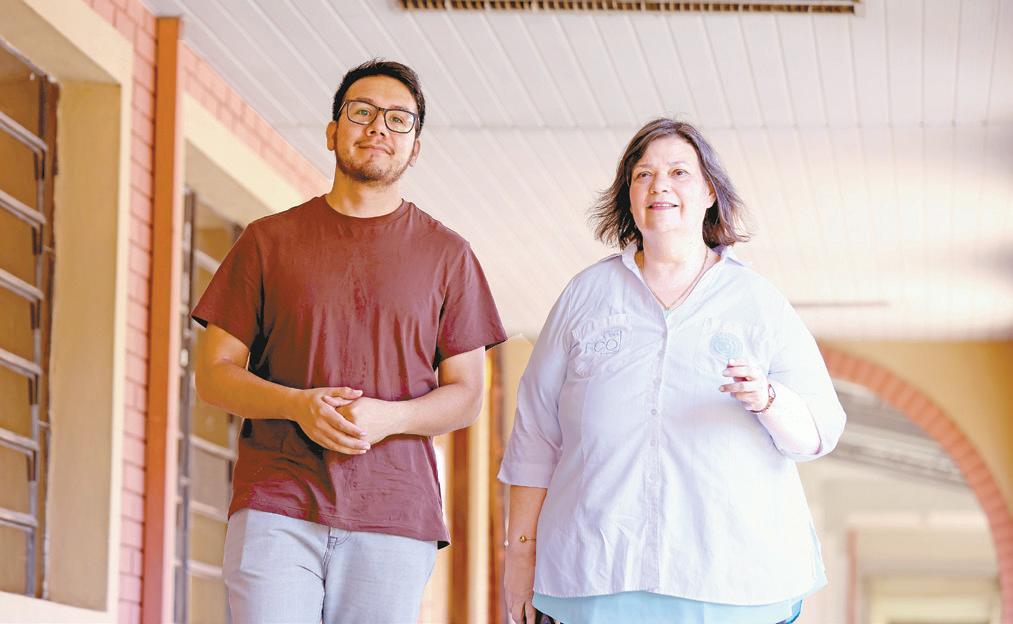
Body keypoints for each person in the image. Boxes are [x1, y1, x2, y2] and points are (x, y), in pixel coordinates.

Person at [192, 59, 506, 623]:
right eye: (362, 112)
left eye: (398, 119)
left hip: (394, 512)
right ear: (333, 131)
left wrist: (389, 418)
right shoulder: (267, 242)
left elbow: (467, 395)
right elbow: (214, 373)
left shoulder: (449, 256)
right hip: (277, 502)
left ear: (415, 147)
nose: (378, 127)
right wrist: (296, 405)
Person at [499, 118, 846, 624]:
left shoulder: (757, 302)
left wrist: (768, 399)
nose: (659, 185)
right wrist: (520, 553)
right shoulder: (585, 296)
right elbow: (534, 435)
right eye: (643, 174)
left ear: (709, 192)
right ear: (629, 195)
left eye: (679, 172)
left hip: (730, 580)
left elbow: (817, 433)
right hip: (596, 572)